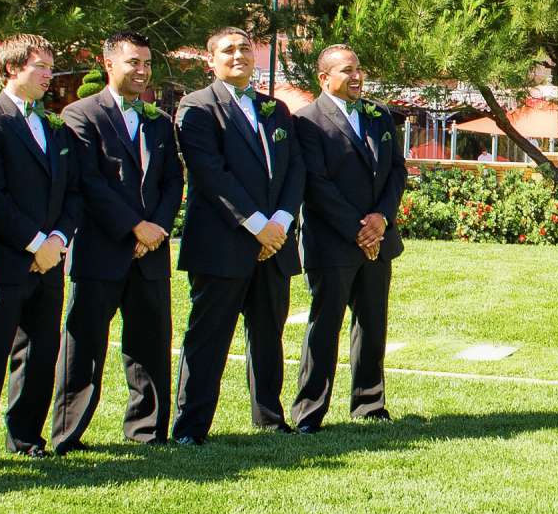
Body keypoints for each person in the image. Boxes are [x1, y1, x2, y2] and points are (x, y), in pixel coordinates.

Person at [0, 34, 79, 464]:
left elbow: (72, 191)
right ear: (11, 69)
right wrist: (35, 242)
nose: (49, 74)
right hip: (4, 260)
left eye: (50, 65)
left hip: (50, 261)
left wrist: (59, 239)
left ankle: (25, 436)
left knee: (41, 351)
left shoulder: (53, 125)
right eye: (40, 66)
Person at [51, 31, 183, 451]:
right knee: (84, 345)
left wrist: (157, 227)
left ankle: (148, 429)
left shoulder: (159, 121)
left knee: (151, 343)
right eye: (134, 63)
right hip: (101, 249)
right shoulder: (81, 114)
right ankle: (68, 434)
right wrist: (133, 227)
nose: (143, 71)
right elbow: (88, 181)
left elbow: (172, 180)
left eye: (147, 63)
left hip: (151, 253)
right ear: (109, 64)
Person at [172, 28, 304, 444]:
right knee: (208, 337)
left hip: (275, 243)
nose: (239, 55)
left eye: (245, 47)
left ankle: (269, 416)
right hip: (222, 243)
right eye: (228, 50)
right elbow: (212, 176)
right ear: (210, 61)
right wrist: (256, 226)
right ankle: (191, 426)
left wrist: (280, 223)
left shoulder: (276, 110)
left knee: (269, 334)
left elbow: (294, 169)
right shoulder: (196, 108)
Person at [290, 44, 407, 427]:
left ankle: (369, 405)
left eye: (359, 68)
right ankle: (310, 410)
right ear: (324, 79)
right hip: (332, 241)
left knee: (373, 325)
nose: (357, 76)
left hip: (378, 238)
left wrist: (382, 220)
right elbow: (316, 184)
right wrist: (360, 230)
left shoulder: (380, 115)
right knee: (325, 326)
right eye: (346, 70)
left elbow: (396, 171)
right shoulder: (306, 121)